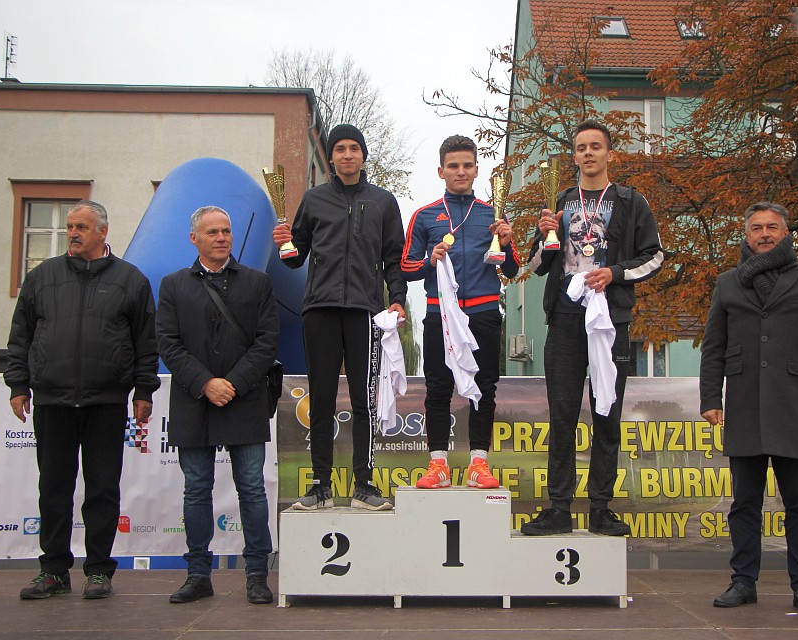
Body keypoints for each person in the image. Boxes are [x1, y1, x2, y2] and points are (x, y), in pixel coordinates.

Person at [5, 200, 160, 600]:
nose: (72, 233)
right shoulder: (42, 277)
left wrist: (144, 390)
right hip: (52, 400)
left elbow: (146, 343)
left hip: (106, 402)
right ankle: (53, 571)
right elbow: (20, 336)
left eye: (81, 227)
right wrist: (18, 385)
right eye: (70, 226)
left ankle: (99, 572)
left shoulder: (130, 280)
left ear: (103, 232)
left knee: (102, 489)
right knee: (54, 489)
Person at [521, 120, 663, 536]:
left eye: (595, 146)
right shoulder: (560, 201)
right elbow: (534, 266)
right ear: (574, 155)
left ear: (609, 154)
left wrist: (615, 273)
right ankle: (559, 507)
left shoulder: (631, 201)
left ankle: (601, 507)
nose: (587, 153)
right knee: (562, 415)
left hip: (610, 321)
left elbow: (655, 257)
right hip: (565, 319)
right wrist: (544, 237)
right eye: (581, 147)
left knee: (608, 414)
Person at [700, 201, 798, 615]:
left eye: (772, 227)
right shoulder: (727, 283)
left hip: (792, 404)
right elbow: (713, 347)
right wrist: (711, 398)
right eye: (757, 228)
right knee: (744, 503)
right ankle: (743, 581)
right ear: (747, 235)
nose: (764, 234)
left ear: (785, 234)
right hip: (744, 403)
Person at [273, 123, 406, 511]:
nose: (348, 154)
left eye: (354, 148)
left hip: (365, 311)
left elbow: (393, 257)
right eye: (340, 149)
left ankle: (364, 485)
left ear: (363, 155)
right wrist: (285, 243)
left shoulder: (383, 202)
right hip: (320, 309)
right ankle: (320, 487)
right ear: (330, 157)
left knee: (364, 400)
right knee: (322, 398)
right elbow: (296, 256)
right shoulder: (313, 200)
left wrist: (397, 299)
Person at [156, 206, 280, 605]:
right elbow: (168, 343)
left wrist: (234, 383)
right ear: (194, 238)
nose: (222, 237)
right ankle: (198, 575)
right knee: (196, 491)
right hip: (195, 401)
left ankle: (257, 575)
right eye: (212, 232)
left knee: (252, 490)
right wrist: (205, 383)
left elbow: (267, 341)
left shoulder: (257, 282)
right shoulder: (173, 285)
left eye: (226, 230)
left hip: (245, 399)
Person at [401, 134, 519, 489]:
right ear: (441, 171)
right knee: (438, 387)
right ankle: (438, 464)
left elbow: (512, 270)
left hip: (483, 311)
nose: (461, 171)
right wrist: (430, 260)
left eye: (467, 165)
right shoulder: (424, 216)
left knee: (484, 387)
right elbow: (405, 267)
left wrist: (506, 243)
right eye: (453, 166)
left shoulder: (492, 214)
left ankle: (478, 463)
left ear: (477, 170)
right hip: (440, 313)